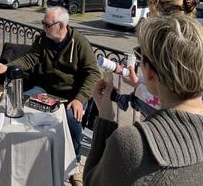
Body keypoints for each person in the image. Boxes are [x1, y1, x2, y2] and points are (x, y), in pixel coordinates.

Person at [84, 14, 203, 185]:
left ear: (148, 70)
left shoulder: (131, 144)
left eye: (140, 56)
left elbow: (91, 181)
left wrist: (105, 117)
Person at [0, 6, 100, 184]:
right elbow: (29, 59)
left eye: (47, 24)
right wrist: (7, 67)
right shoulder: (43, 39)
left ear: (62, 25)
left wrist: (80, 99)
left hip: (72, 94)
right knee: (21, 103)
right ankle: (33, 151)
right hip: (46, 89)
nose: (43, 28)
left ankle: (75, 164)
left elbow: (94, 73)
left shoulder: (79, 43)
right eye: (43, 24)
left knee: (72, 119)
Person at [111, 0, 200, 117]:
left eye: (151, 15)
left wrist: (105, 113)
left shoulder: (166, 50)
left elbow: (166, 96)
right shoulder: (192, 44)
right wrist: (138, 82)